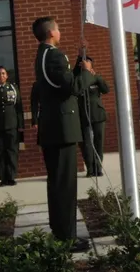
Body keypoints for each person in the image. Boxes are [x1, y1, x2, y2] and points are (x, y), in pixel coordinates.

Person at [32, 16, 94, 252]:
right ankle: (67, 238)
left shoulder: (44, 55)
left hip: (53, 129)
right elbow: (72, 87)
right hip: (62, 130)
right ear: (51, 33)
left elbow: (62, 81)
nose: (59, 31)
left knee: (58, 183)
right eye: (57, 28)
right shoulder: (55, 55)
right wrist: (87, 72)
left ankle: (61, 232)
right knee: (65, 185)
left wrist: (80, 59)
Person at [77, 56, 109, 177]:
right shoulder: (79, 79)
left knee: (98, 142)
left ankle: (98, 167)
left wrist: (96, 76)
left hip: (98, 115)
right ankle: (90, 168)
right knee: (86, 144)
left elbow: (106, 89)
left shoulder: (96, 78)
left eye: (89, 63)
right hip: (84, 115)